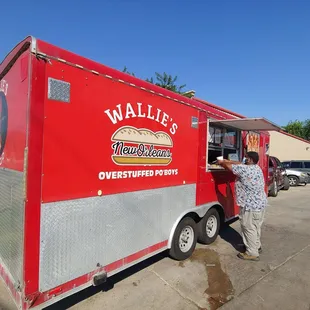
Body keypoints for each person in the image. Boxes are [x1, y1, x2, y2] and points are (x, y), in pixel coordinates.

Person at [217, 151, 267, 261]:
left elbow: (229, 167)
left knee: (248, 228)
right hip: (260, 204)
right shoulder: (256, 168)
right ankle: (256, 246)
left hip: (250, 206)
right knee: (255, 227)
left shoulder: (245, 170)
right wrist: (228, 160)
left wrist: (222, 162)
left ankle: (252, 253)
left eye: (246, 157)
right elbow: (240, 163)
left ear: (250, 160)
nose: (244, 159)